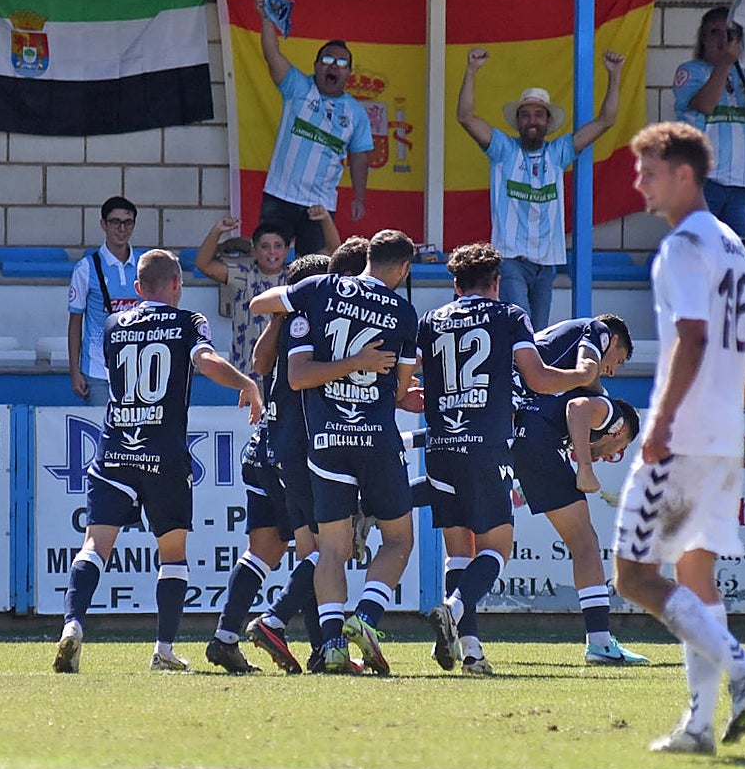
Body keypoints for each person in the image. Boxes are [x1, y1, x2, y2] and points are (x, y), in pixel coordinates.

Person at [613, 121, 745, 756]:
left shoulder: (684, 245)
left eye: (649, 171)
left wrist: (659, 424)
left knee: (632, 575)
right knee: (697, 576)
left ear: (684, 174)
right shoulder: (735, 245)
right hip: (721, 431)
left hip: (683, 432)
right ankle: (701, 725)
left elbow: (691, 336)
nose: (640, 182)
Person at [54, 249, 263, 674]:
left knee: (95, 544)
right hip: (163, 454)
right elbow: (205, 362)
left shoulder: (114, 324)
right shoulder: (189, 322)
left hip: (114, 450)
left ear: (137, 288)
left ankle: (73, 623)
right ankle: (164, 649)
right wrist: (247, 383)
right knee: (172, 554)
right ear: (176, 286)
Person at [420, 242, 605, 675]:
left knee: (458, 555)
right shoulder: (508, 315)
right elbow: (538, 379)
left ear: (455, 284)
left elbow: (414, 388)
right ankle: (454, 606)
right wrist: (580, 376)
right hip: (485, 443)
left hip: (440, 444)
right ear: (497, 283)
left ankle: (471, 653)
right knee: (497, 548)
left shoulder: (431, 321)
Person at [249, 229, 423, 676]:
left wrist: (290, 305)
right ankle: (364, 617)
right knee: (399, 538)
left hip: (325, 442)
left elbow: (260, 309)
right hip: (377, 440)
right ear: (402, 269)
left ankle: (331, 646)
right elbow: (401, 387)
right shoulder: (403, 312)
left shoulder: (319, 291)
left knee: (332, 548)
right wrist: (362, 365)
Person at [205, 252, 338, 675]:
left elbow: (259, 365)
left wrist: (278, 319)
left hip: (263, 448)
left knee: (263, 550)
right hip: (292, 451)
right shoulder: (313, 324)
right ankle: (301, 636)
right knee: (320, 548)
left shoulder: (284, 325)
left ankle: (226, 637)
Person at [456, 47, 625, 330]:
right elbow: (465, 117)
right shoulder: (504, 150)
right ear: (518, 121)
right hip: (511, 259)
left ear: (548, 122)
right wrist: (471, 70)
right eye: (525, 115)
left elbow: (606, 121)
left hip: (546, 262)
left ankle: (526, 376)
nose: (532, 120)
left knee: (540, 332)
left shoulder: (558, 152)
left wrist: (615, 76)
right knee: (521, 327)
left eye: (538, 115)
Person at [511, 389, 648, 666]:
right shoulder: (614, 415)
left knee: (455, 504)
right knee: (585, 544)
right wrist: (585, 466)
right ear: (619, 433)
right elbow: (578, 406)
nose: (612, 455)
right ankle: (599, 642)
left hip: (511, 440)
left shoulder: (548, 395)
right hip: (539, 447)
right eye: (619, 450)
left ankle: (461, 631)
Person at [255, 0, 372, 256]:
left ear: (349, 73)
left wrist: (359, 197)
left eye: (342, 63)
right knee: (269, 261)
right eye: (328, 60)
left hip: (319, 205)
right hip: (279, 196)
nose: (334, 66)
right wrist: (266, 18)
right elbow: (272, 54)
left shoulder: (356, 112)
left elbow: (359, 157)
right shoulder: (298, 87)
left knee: (315, 267)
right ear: (317, 65)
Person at [195, 209, 341, 378]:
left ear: (287, 250)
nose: (272, 252)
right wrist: (217, 230)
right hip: (247, 371)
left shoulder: (296, 275)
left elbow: (333, 255)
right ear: (254, 251)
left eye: (278, 246)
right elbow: (203, 264)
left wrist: (325, 220)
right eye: (265, 247)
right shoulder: (243, 275)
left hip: (284, 373)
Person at [673, 7, 745, 233]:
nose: (723, 39)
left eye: (731, 33)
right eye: (715, 32)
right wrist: (726, 63)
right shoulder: (691, 71)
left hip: (743, 185)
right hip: (705, 182)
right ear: (703, 38)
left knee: (736, 254)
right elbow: (705, 105)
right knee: (701, 250)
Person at [68, 196, 144, 407]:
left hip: (139, 369)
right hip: (98, 370)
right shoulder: (85, 268)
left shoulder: (145, 264)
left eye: (127, 223)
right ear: (103, 224)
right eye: (115, 222)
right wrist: (75, 371)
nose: (122, 229)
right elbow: (75, 322)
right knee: (101, 434)